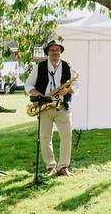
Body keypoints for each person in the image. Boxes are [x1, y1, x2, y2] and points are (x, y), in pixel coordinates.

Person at [25, 40, 76, 177]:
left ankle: (63, 166)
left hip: (62, 106)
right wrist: (40, 95)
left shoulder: (67, 66)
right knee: (45, 137)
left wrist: (68, 90)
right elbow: (28, 86)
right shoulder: (39, 67)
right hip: (45, 106)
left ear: (60, 52)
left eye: (57, 50)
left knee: (67, 135)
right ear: (47, 52)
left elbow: (77, 84)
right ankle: (50, 166)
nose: (55, 52)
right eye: (52, 50)